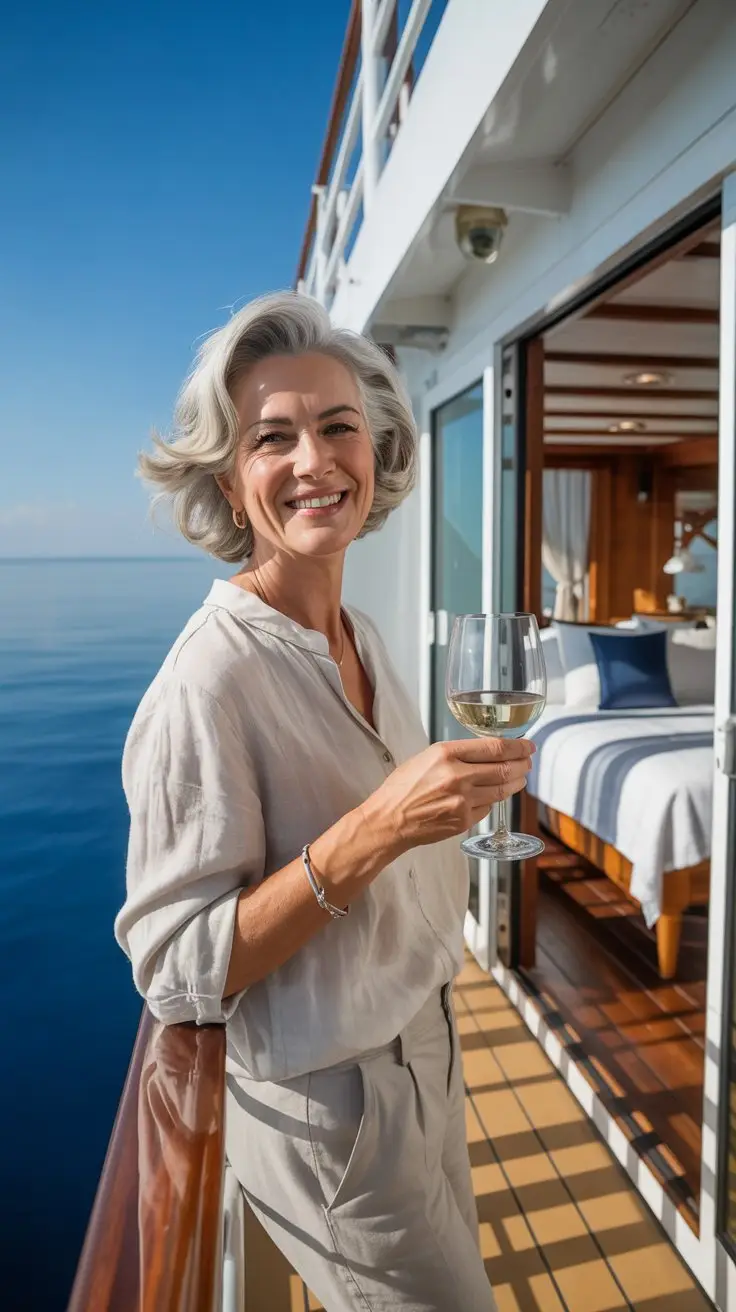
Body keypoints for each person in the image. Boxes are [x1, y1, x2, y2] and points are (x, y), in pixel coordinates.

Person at [115, 292, 534, 1311]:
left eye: (338, 425)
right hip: (333, 1108)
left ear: (376, 450)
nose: (314, 461)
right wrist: (380, 825)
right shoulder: (206, 681)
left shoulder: (365, 638)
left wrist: (444, 813)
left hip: (426, 1049)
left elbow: (392, 838)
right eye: (273, 437)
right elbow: (176, 973)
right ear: (230, 476)